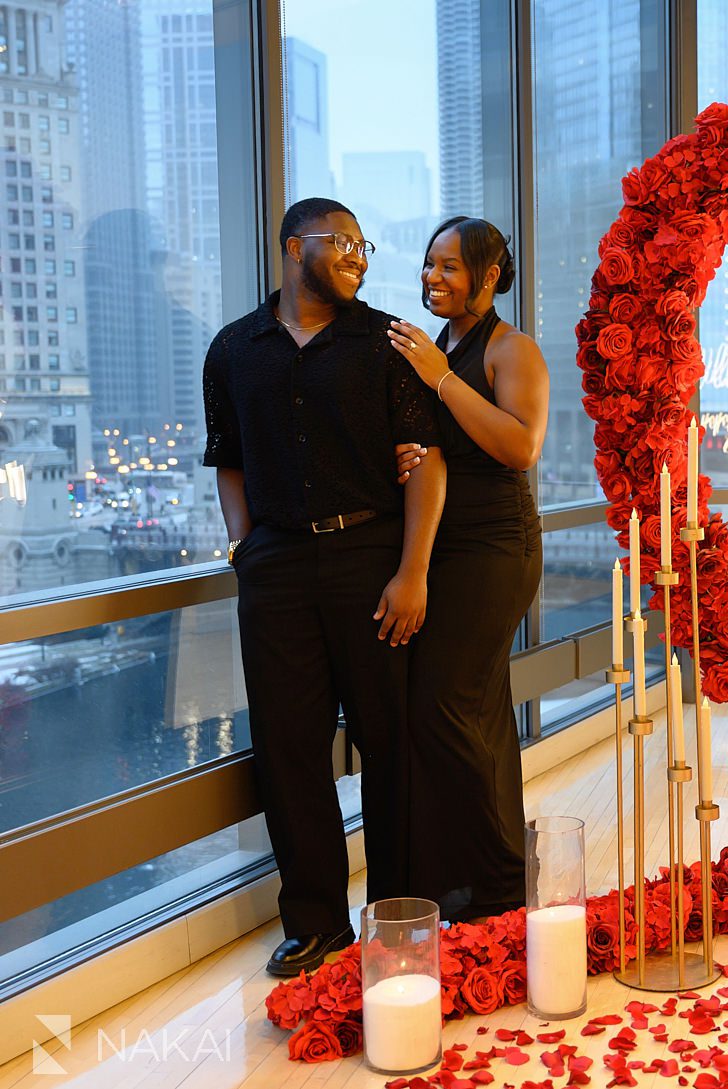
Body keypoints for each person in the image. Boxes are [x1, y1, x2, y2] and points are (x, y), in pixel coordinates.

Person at [203, 197, 447, 975]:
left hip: (370, 557)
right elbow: (228, 458)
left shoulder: (385, 342)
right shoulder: (232, 349)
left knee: (391, 742)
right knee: (288, 748)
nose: (357, 257)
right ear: (292, 246)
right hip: (274, 566)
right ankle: (316, 923)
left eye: (363, 246)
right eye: (342, 242)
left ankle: (399, 918)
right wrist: (244, 547)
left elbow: (425, 460)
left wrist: (413, 570)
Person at [386, 216, 547, 922]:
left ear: (489, 276)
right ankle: (483, 881)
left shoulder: (511, 349)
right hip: (446, 545)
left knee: (446, 703)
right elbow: (434, 446)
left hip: (498, 545)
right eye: (429, 264)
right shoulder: (438, 348)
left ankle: (501, 880)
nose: (433, 277)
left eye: (449, 266)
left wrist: (443, 380)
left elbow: (521, 446)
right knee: (476, 708)